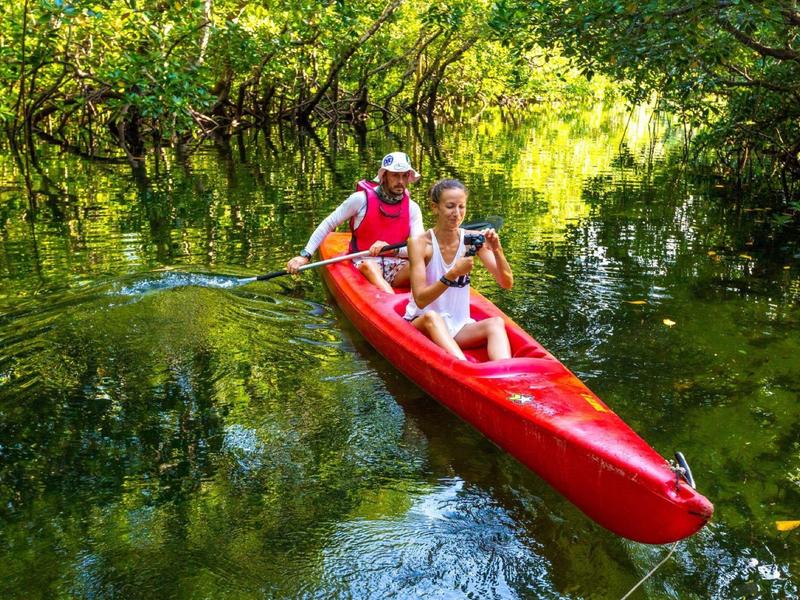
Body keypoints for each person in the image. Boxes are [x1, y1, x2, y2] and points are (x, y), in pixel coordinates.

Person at [404, 179, 513, 361]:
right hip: (424, 322)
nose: (457, 214)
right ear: (434, 207)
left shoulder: (473, 239)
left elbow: (506, 282)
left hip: (459, 326)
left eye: (461, 207)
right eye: (450, 207)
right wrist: (453, 273)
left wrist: (497, 249)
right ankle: (465, 369)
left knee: (496, 323)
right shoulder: (419, 243)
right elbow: (421, 300)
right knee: (432, 317)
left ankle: (506, 377)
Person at [286, 152, 424, 293]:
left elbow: (420, 248)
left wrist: (393, 249)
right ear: (384, 176)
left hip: (397, 265)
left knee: (425, 263)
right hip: (365, 262)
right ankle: (389, 297)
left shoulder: (413, 208)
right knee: (369, 265)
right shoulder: (360, 200)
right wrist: (305, 256)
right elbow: (329, 223)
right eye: (395, 175)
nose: (401, 181)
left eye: (405, 175)